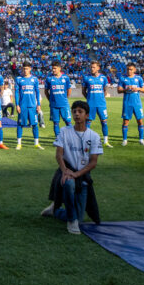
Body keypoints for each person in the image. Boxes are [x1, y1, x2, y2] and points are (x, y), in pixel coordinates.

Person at [43, 100, 103, 235]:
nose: (76, 114)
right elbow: (59, 155)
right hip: (66, 171)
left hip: (82, 176)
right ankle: (71, 221)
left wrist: (76, 174)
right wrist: (65, 171)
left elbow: (93, 162)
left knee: (80, 217)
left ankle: (56, 210)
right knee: (68, 184)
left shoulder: (94, 136)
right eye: (74, 111)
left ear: (87, 115)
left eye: (80, 112)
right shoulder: (64, 131)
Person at [81, 61, 112, 148]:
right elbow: (83, 91)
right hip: (91, 104)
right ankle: (87, 141)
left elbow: (105, 90)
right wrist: (89, 99)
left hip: (101, 104)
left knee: (104, 122)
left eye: (94, 67)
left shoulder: (103, 78)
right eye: (91, 67)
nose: (92, 69)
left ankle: (106, 141)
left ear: (98, 68)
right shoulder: (87, 78)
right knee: (88, 122)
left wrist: (101, 98)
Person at [14, 63, 43, 150]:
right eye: (24, 69)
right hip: (22, 106)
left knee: (34, 124)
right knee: (20, 124)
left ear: (30, 69)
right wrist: (17, 105)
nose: (25, 70)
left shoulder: (34, 79)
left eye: (27, 69)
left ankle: (36, 143)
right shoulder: (19, 79)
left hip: (32, 106)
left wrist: (38, 105)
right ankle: (19, 144)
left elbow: (37, 93)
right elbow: (16, 93)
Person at [118, 64, 144, 147]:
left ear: (134, 70)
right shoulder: (123, 78)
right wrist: (126, 89)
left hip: (137, 103)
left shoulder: (139, 78)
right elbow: (119, 90)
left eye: (131, 69)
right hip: (127, 103)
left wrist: (137, 89)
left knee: (140, 121)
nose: (129, 71)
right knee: (125, 122)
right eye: (128, 69)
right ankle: (124, 140)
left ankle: (141, 139)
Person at [44, 61, 71, 139]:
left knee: (68, 122)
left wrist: (65, 98)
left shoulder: (65, 78)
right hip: (54, 105)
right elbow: (46, 91)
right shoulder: (49, 78)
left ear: (59, 68)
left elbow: (69, 90)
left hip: (64, 104)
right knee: (56, 123)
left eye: (55, 68)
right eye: (52, 68)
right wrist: (51, 100)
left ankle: (71, 138)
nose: (53, 70)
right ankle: (58, 139)